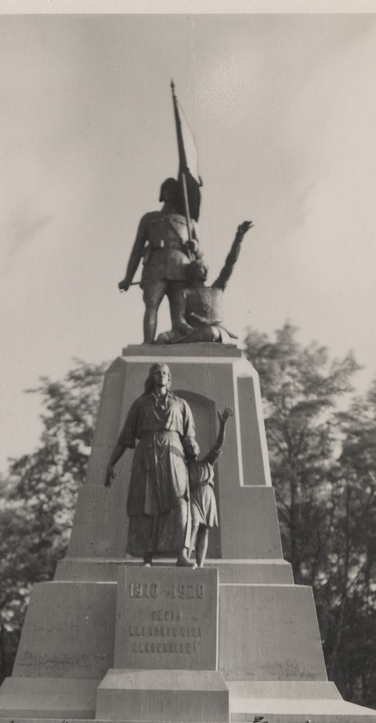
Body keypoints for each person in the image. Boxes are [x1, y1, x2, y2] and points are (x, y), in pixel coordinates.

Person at [104, 363, 196, 566]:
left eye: (165, 373)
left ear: (169, 377)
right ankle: (147, 557)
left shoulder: (181, 404)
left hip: (174, 454)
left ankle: (182, 555)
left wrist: (194, 452)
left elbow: (189, 436)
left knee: (180, 501)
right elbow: (125, 438)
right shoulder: (140, 404)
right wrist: (111, 463)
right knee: (145, 502)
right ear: (152, 377)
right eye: (157, 372)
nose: (161, 375)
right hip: (146, 454)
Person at [118, 178, 200, 345]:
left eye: (173, 190)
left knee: (179, 312)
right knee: (151, 305)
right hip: (155, 267)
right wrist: (128, 277)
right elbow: (136, 250)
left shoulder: (189, 222)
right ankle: (148, 343)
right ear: (161, 194)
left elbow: (200, 255)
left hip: (181, 269)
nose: (169, 193)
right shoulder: (149, 219)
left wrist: (195, 247)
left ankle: (177, 342)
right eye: (166, 190)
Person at [156, 221, 252, 345]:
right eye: (202, 268)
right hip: (191, 331)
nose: (206, 271)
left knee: (211, 332)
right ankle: (180, 344)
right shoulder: (184, 293)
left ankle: (179, 344)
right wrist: (188, 329)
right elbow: (179, 319)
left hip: (215, 331)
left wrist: (239, 239)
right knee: (162, 338)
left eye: (207, 268)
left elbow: (230, 264)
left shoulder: (217, 289)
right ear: (192, 271)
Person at [186, 407, 233, 567]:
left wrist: (223, 424)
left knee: (204, 530)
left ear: (199, 450)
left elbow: (219, 444)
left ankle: (200, 564)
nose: (192, 447)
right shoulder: (183, 467)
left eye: (194, 445)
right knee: (193, 523)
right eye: (189, 446)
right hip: (193, 496)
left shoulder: (207, 462)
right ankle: (185, 559)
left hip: (207, 496)